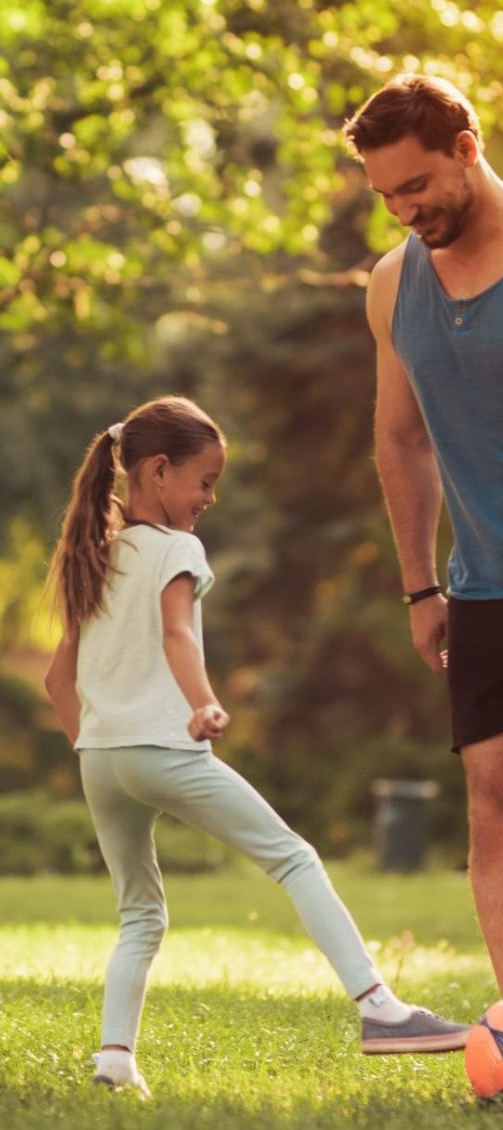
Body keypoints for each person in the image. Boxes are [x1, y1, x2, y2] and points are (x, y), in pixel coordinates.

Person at [43, 395, 469, 1096]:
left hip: (103, 759)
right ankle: (381, 1010)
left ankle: (114, 1061)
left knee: (140, 915)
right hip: (163, 748)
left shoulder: (99, 554)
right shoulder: (178, 549)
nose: (210, 498)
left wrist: (97, 748)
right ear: (156, 471)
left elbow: (60, 676)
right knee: (294, 858)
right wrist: (203, 701)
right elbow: (177, 632)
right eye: (204, 481)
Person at [343, 75, 503, 993]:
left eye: (416, 187)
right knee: (491, 805)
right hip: (481, 588)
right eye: (385, 196)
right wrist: (419, 586)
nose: (404, 211)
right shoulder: (394, 284)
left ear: (467, 150)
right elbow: (400, 437)